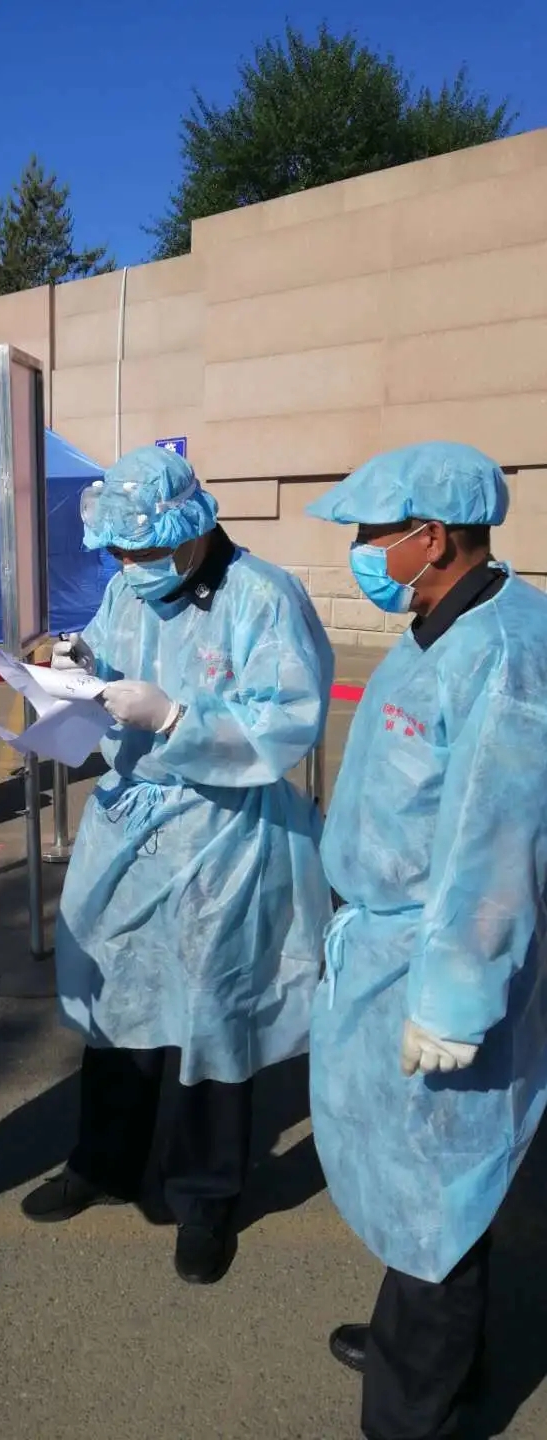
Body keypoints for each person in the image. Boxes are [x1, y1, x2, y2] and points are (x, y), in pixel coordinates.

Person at [21, 444, 334, 1284]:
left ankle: (207, 1196)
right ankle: (104, 1162)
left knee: (213, 1014)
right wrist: (77, 668)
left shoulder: (263, 597)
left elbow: (289, 721)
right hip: (132, 823)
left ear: (190, 528)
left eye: (142, 548)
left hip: (224, 834)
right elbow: (106, 650)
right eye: (118, 551)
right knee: (118, 997)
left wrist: (176, 719)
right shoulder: (130, 586)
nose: (129, 565)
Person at [307, 441, 547, 1440]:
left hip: (442, 963)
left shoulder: (507, 653)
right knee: (417, 1181)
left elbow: (498, 844)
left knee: (445, 1192)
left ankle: (416, 1410)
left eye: (374, 535)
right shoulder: (439, 625)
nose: (363, 553)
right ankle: (418, 1343)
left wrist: (453, 998)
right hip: (393, 944)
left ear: (432, 537)